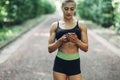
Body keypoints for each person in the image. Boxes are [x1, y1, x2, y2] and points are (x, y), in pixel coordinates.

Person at [48, 0, 88, 80]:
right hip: (60, 63)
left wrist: (76, 41)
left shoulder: (81, 25)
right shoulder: (55, 26)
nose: (69, 11)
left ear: (75, 9)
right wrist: (60, 41)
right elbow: (50, 49)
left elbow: (85, 48)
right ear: (62, 8)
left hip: (74, 63)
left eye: (72, 9)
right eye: (66, 9)